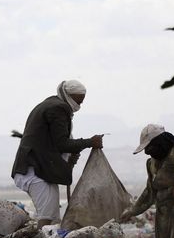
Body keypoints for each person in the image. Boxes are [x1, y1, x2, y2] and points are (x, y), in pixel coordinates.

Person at [11, 80, 104, 229]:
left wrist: (72, 157)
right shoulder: (58, 108)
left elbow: (55, 144)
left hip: (41, 171)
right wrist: (89, 142)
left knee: (53, 217)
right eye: (77, 100)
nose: (79, 105)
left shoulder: (51, 105)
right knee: (47, 217)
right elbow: (61, 144)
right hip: (34, 171)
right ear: (67, 95)